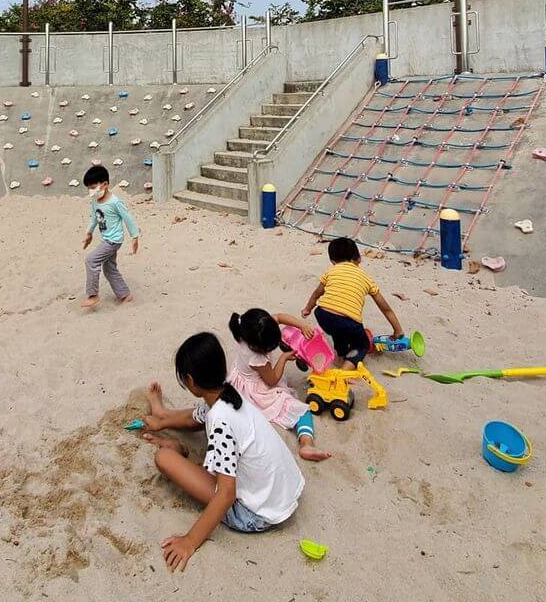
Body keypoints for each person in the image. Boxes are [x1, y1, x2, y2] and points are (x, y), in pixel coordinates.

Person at [143, 332, 305, 572]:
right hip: (284, 492)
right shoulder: (230, 392)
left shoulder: (220, 422)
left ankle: (176, 448)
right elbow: (196, 417)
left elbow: (226, 494)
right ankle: (164, 418)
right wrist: (162, 421)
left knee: (164, 458)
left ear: (190, 381)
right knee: (199, 421)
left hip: (255, 515)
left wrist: (189, 542)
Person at [228, 308, 331, 462]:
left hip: (240, 378)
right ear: (260, 347)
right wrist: (283, 358)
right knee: (301, 411)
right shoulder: (257, 358)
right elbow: (272, 380)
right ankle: (306, 444)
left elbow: (280, 317)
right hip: (255, 390)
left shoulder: (250, 328)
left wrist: (302, 325)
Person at [301, 236, 404, 369]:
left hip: (322, 314)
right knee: (362, 345)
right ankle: (345, 372)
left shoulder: (331, 271)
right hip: (348, 322)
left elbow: (317, 293)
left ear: (333, 261)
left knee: (338, 332)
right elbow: (385, 309)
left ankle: (340, 356)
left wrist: (307, 309)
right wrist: (398, 330)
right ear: (359, 258)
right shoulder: (366, 278)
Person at [80, 165, 140, 308]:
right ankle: (125, 295)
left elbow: (128, 218)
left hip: (113, 241)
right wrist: (89, 233)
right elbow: (94, 218)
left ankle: (92, 295)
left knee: (91, 260)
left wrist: (135, 236)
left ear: (105, 184)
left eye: (94, 187)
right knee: (109, 268)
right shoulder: (95, 201)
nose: (91, 191)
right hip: (105, 239)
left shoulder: (115, 202)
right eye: (89, 188)